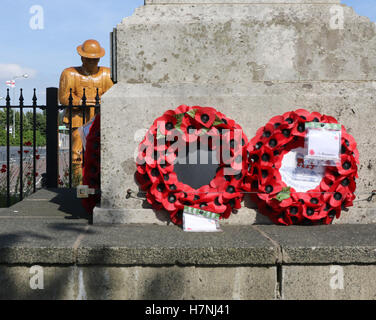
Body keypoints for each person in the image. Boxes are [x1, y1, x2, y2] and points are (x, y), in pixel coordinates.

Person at [59, 39, 113, 183]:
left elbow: (113, 97)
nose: (92, 62)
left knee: (102, 151)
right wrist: (79, 102)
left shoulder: (107, 75)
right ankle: (77, 182)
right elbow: (63, 97)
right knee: (76, 152)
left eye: (95, 60)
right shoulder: (69, 74)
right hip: (78, 120)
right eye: (88, 59)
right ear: (82, 58)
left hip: (100, 120)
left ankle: (101, 182)